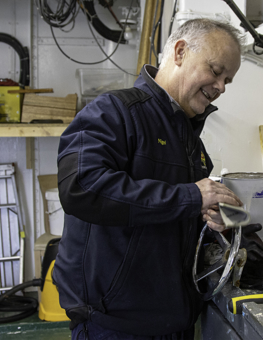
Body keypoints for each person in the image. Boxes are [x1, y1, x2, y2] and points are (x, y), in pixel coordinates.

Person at [53, 18, 245, 339]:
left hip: (175, 320)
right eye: (215, 71)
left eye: (228, 79)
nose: (221, 87)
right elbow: (81, 188)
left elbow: (169, 214)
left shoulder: (191, 142)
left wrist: (210, 223)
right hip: (115, 325)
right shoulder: (114, 112)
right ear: (180, 52)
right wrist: (193, 197)